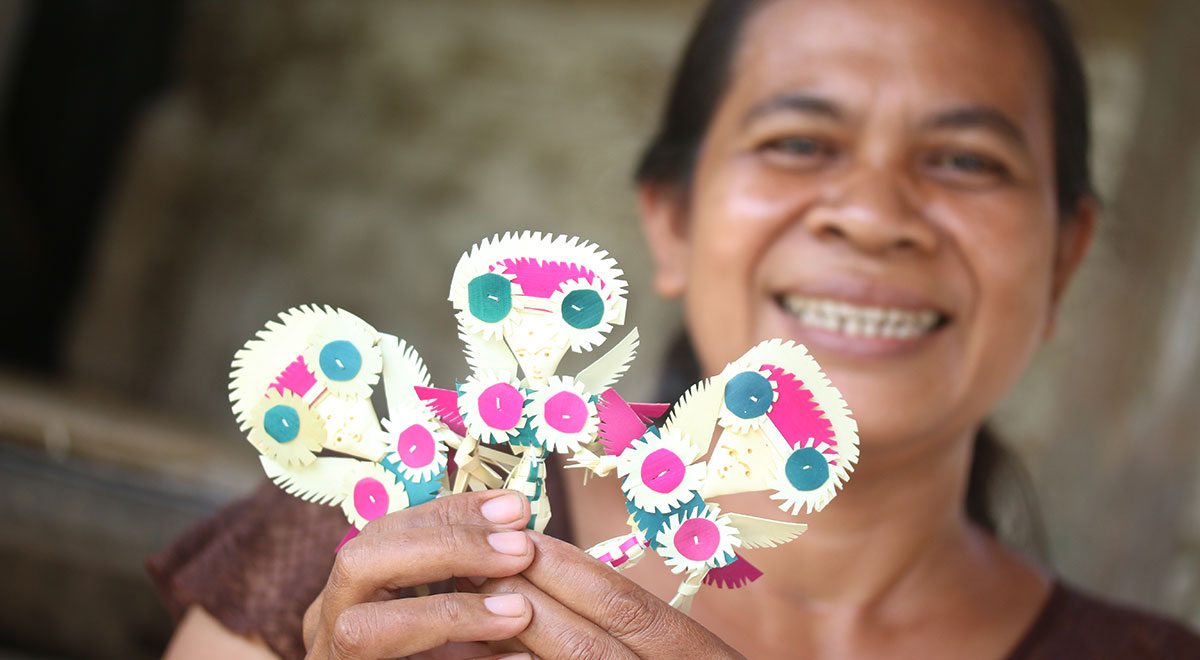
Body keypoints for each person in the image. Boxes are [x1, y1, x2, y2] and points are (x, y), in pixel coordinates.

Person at [153, 0, 1200, 657]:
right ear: (672, 218)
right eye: (799, 141)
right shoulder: (377, 550)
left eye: (967, 161)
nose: (874, 213)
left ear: (1064, 255)